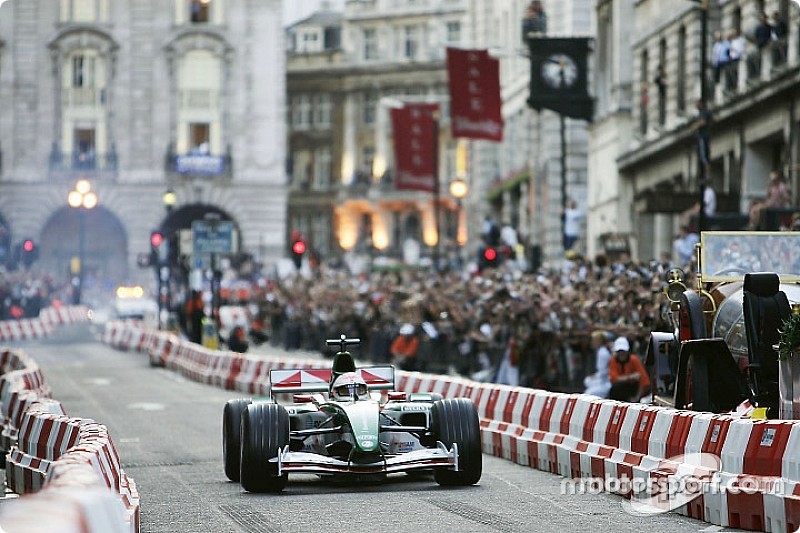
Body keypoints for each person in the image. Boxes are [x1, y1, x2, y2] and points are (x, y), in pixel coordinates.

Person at [608, 336, 650, 402]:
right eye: (619, 351)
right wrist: (630, 377)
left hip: (633, 390)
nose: (621, 353)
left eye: (623, 351)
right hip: (619, 391)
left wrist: (636, 398)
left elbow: (644, 381)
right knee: (615, 388)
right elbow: (614, 379)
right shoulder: (613, 360)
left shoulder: (634, 359)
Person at [583, 330, 612, 398]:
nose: (592, 343)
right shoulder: (600, 352)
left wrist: (595, 376)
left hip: (605, 382)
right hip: (601, 379)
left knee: (587, 393)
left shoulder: (603, 353)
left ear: (599, 341)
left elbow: (604, 372)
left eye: (594, 340)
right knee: (587, 380)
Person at [690, 99, 711, 180]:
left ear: (701, 103)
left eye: (697, 103)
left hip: (703, 137)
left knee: (704, 156)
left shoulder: (703, 112)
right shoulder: (704, 112)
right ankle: (706, 174)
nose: (696, 105)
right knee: (704, 156)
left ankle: (707, 175)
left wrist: (694, 126)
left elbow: (703, 122)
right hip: (703, 136)